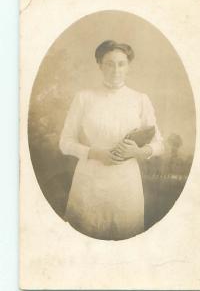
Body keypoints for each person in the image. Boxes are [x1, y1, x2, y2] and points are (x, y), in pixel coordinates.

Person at [59, 40, 164, 240]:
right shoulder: (84, 98)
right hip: (89, 183)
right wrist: (96, 153)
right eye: (109, 63)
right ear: (99, 65)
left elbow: (160, 144)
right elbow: (65, 142)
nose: (115, 69)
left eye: (121, 63)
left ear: (128, 66)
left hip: (126, 185)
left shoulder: (140, 99)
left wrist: (138, 152)